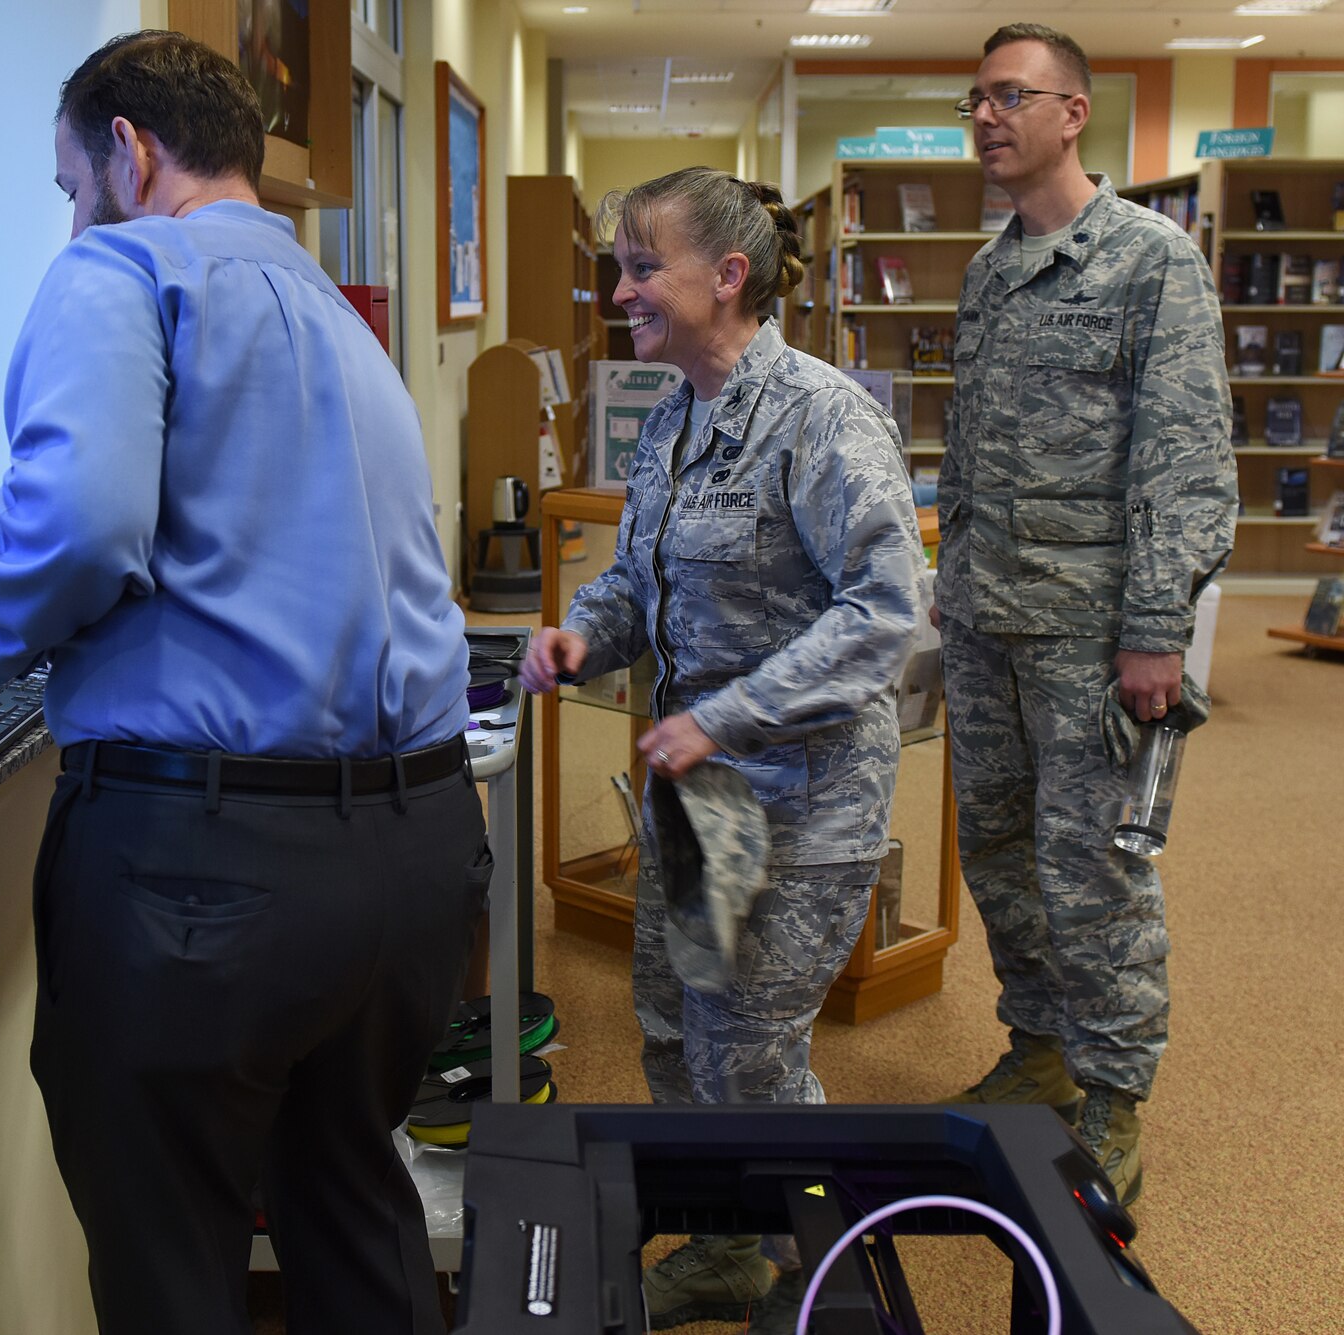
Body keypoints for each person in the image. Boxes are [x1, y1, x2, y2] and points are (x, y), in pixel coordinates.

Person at [0, 31, 488, 1335]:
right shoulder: (338, 315)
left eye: (72, 183)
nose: (74, 215)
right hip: (412, 852)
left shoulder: (120, 267)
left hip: (208, 871)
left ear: (128, 153)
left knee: (171, 1258)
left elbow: (76, 524)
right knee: (353, 1203)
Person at [519, 167, 923, 1328]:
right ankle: (725, 1244)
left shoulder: (821, 416)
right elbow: (632, 587)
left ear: (727, 276)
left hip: (800, 804)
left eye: (643, 265)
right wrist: (579, 638)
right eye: (618, 264)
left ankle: (822, 1273)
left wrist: (724, 715)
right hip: (699, 802)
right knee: (669, 1022)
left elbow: (883, 614)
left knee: (748, 1054)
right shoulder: (672, 413)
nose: (619, 288)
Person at [934, 24, 1236, 1209]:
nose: (985, 117)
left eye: (1010, 96)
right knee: (1001, 851)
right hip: (983, 622)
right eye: (974, 98)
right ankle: (1042, 1045)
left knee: (1096, 868)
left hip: (1091, 635)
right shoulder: (987, 269)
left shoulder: (1150, 261)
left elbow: (1185, 461)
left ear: (1073, 114)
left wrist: (1155, 628)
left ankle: (1111, 1098)